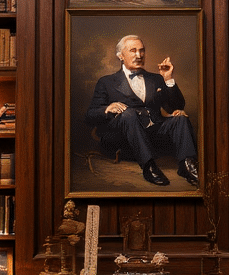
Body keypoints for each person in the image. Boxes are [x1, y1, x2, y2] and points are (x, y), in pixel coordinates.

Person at [85, 35, 199, 187]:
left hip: (153, 138)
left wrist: (168, 79)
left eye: (142, 51)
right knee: (129, 113)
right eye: (133, 51)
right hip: (123, 141)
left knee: (181, 118)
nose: (139, 55)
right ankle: (148, 166)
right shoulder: (106, 82)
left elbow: (175, 106)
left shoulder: (156, 79)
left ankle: (187, 165)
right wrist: (107, 108)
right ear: (120, 56)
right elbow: (89, 116)